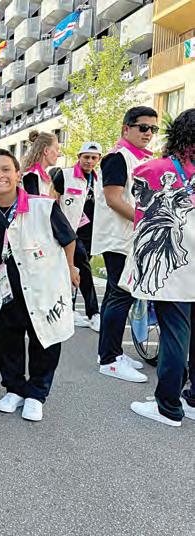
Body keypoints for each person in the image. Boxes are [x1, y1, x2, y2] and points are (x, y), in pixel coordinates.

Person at [0, 149, 79, 422]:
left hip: (42, 286)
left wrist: (71, 268)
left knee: (44, 339)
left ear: (18, 174)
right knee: (6, 338)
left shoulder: (43, 207)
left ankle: (36, 394)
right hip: (4, 289)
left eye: (5, 170)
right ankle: (14, 389)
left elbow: (68, 239)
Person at [127, 108, 195, 427]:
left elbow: (141, 214)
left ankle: (167, 406)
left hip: (173, 265)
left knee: (174, 333)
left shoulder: (153, 169)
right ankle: (191, 399)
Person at [92, 106, 158, 383]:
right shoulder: (118, 157)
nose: (148, 133)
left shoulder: (138, 158)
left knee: (114, 296)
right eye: (143, 127)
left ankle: (110, 353)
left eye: (153, 129)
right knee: (121, 296)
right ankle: (110, 360)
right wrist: (148, 221)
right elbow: (113, 199)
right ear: (126, 128)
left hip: (128, 238)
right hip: (120, 239)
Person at [52, 141, 102, 332]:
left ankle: (69, 310)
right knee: (84, 270)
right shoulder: (64, 175)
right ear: (79, 157)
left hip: (91, 234)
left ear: (98, 159)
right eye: (86, 157)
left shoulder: (99, 180)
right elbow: (52, 201)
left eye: (94, 158)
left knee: (75, 271)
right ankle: (93, 313)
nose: (89, 161)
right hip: (70, 233)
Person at [21, 130, 60, 196]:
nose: (58, 154)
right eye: (57, 150)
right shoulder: (31, 176)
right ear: (46, 151)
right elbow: (34, 202)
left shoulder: (41, 176)